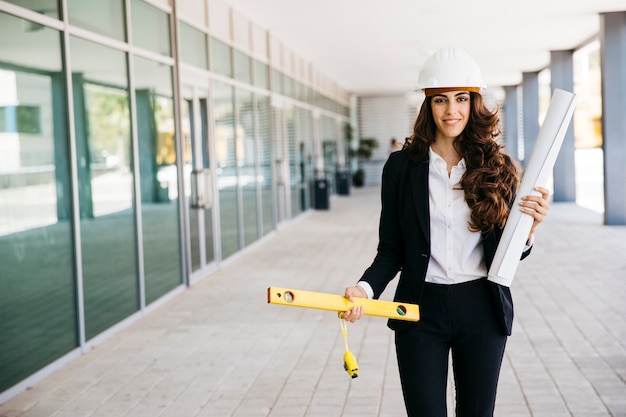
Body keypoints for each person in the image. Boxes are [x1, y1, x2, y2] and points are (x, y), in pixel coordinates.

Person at [340, 46, 550, 417]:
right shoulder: (401, 168)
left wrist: (528, 232)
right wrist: (365, 289)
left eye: (461, 99)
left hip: (482, 308)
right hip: (419, 309)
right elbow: (391, 248)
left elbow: (507, 251)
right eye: (440, 100)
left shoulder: (498, 167)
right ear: (427, 104)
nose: (451, 110)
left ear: (474, 103)